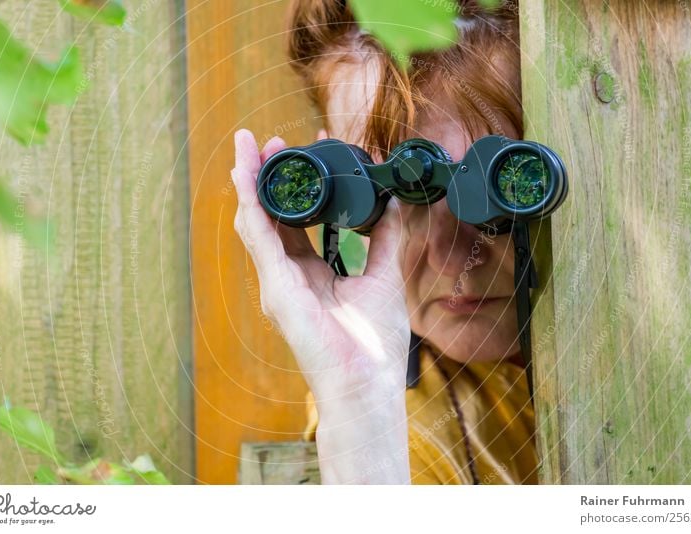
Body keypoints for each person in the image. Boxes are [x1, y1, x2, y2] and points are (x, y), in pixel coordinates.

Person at [230, 0, 537, 484]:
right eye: (384, 195)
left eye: (495, 187)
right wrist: (361, 400)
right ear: (336, 178)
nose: (450, 257)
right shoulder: (407, 423)